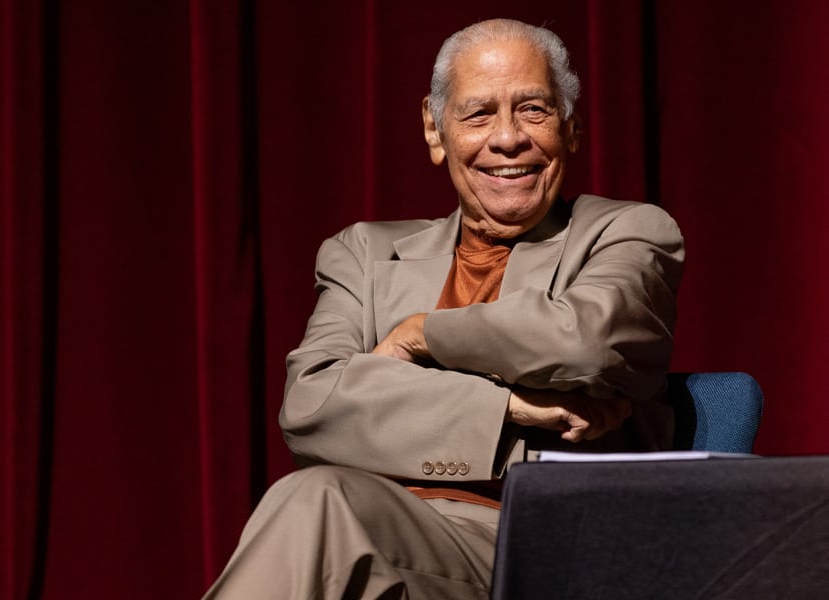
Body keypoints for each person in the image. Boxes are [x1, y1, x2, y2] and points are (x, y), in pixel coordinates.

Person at [203, 18, 684, 600]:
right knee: (319, 510)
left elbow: (584, 339)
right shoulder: (365, 253)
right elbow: (312, 403)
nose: (508, 138)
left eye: (533, 109)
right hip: (379, 534)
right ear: (435, 132)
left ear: (571, 127)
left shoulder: (626, 233)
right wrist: (509, 407)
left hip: (543, 548)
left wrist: (420, 335)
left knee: (315, 503)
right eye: (479, 114)